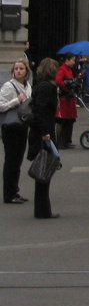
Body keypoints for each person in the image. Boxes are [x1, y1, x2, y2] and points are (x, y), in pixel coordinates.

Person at [28, 58, 61, 218]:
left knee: (44, 171)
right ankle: (42, 210)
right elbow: (40, 110)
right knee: (44, 171)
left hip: (43, 131)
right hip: (43, 133)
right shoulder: (46, 88)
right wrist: (45, 133)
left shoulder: (43, 86)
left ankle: (43, 209)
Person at [1, 60, 33, 204]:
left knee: (18, 160)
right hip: (11, 126)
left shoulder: (28, 86)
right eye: (16, 69)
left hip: (22, 125)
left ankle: (15, 191)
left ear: (26, 71)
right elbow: (1, 106)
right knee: (11, 160)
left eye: (21, 68)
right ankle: (9, 194)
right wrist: (16, 100)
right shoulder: (9, 86)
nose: (18, 71)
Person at [53, 54, 79, 149]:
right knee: (62, 120)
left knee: (70, 120)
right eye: (72, 60)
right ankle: (60, 141)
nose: (73, 62)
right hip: (64, 97)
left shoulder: (70, 69)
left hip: (70, 97)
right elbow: (58, 81)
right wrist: (66, 85)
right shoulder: (62, 69)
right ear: (67, 60)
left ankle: (67, 140)